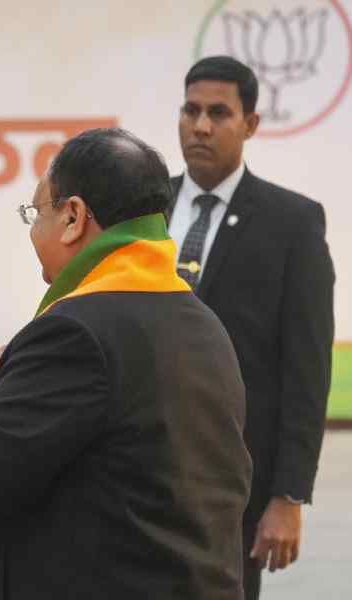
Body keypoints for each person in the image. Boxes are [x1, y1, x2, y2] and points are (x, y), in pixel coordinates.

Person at [0, 128, 252, 599]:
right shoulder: (200, 320)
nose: (32, 229)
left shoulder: (75, 331)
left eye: (35, 211)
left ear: (73, 217)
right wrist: (12, 386)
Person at [170, 56, 335, 599]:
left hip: (234, 489)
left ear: (251, 125)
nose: (201, 125)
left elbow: (306, 370)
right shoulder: (140, 210)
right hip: (135, 478)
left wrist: (288, 496)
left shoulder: (292, 224)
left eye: (219, 112)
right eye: (191, 110)